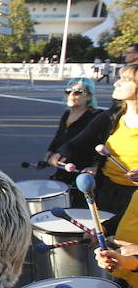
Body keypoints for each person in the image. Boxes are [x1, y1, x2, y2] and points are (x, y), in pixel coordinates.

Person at [50, 63, 138, 233]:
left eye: (125, 80)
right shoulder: (115, 114)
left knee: (123, 242)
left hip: (134, 196)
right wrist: (62, 151)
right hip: (107, 188)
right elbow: (83, 139)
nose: (116, 83)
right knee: (101, 237)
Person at [44, 77, 101, 205]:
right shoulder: (66, 115)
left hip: (82, 173)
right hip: (63, 170)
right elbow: (59, 136)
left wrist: (96, 167)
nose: (72, 94)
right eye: (68, 91)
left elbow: (101, 143)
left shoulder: (96, 116)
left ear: (89, 96)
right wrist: (50, 151)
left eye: (78, 92)